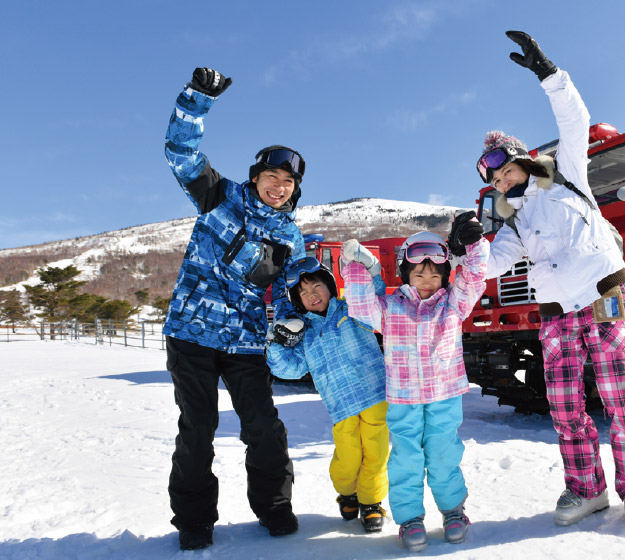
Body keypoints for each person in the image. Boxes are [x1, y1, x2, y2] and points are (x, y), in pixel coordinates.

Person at [476, 32, 625, 528]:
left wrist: (549, 75)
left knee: (622, 402)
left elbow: (574, 120)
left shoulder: (567, 177)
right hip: (557, 321)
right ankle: (586, 490)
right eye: (492, 180)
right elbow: (490, 266)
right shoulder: (515, 224)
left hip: (605, 303)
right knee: (565, 411)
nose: (498, 183)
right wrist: (466, 245)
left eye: (502, 171)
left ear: (520, 160)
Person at [163, 67, 305, 550]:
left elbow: (289, 288)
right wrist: (197, 98)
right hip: (191, 334)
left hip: (245, 340)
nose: (279, 186)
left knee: (264, 427)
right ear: (256, 177)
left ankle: (275, 506)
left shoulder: (289, 235)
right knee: (197, 429)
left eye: (288, 181)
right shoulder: (219, 195)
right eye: (271, 176)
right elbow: (179, 153)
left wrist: (290, 323)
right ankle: (194, 519)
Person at [341, 213, 488, 552]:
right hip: (404, 399)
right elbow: (360, 306)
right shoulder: (391, 308)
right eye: (419, 272)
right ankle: (409, 519)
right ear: (406, 273)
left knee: (442, 455)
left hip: (444, 394)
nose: (427, 279)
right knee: (406, 458)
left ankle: (453, 512)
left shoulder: (454, 304)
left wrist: (474, 245)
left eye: (435, 273)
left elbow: (475, 277)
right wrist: (355, 266)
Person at [266, 256, 390, 533]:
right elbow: (290, 369)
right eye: (304, 293)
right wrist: (277, 342)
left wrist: (372, 272)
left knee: (376, 455)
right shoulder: (305, 332)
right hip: (341, 405)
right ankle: (347, 493)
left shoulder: (352, 309)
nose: (312, 296)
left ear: (331, 286)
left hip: (375, 397)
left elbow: (379, 301)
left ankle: (371, 502)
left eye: (316, 287)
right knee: (348, 459)